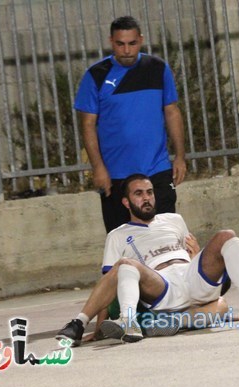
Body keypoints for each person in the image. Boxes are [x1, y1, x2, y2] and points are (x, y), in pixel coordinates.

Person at [56, 174, 239, 344]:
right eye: (139, 194)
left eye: (150, 192)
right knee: (125, 265)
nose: (146, 198)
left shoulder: (175, 219)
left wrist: (196, 256)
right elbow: (109, 283)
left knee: (227, 236)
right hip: (160, 287)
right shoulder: (117, 235)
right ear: (126, 202)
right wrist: (97, 329)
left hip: (191, 278)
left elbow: (195, 256)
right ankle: (125, 322)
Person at [75, 15, 186, 233]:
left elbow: (172, 112)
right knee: (123, 240)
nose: (126, 50)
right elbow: (88, 124)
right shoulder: (96, 76)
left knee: (167, 235)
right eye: (120, 44)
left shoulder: (157, 69)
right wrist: (98, 168)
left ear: (141, 40)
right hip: (116, 175)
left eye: (132, 43)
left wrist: (180, 157)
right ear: (111, 42)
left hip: (157, 170)